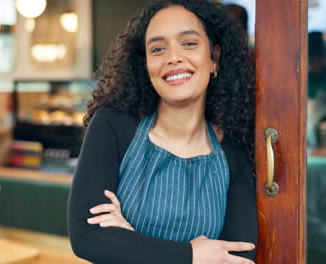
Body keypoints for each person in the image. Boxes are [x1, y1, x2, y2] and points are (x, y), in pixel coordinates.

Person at [68, 1, 257, 263]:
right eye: (157, 49)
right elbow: (87, 237)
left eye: (189, 43)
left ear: (214, 57)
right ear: (145, 64)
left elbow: (240, 256)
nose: (173, 57)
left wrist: (129, 241)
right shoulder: (114, 125)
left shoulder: (233, 146)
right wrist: (191, 255)